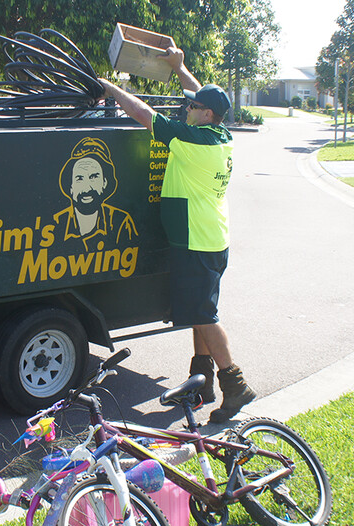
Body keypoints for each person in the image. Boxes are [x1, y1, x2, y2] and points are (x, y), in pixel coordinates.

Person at [98, 48, 256, 423]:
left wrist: (111, 90)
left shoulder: (191, 140)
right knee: (199, 314)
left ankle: (235, 385)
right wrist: (179, 67)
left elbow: (142, 115)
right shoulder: (218, 133)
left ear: (205, 115)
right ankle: (202, 381)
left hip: (196, 241)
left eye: (192, 107)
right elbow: (203, 95)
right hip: (212, 237)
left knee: (204, 315)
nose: (186, 108)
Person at [54, 137, 137, 251]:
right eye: (79, 178)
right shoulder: (56, 224)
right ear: (71, 186)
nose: (87, 188)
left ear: (105, 182)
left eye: (93, 177)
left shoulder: (121, 222)